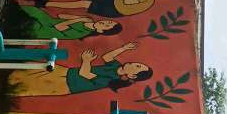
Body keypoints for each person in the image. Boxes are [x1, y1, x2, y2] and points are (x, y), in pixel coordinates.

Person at [11, 43, 151, 97]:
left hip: (64, 84)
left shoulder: (110, 81)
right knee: (23, 69)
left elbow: (84, 73)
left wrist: (86, 60)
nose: (134, 63)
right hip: (65, 72)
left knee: (21, 85)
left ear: (132, 76)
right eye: (138, 63)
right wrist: (123, 48)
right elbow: (107, 56)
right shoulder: (115, 67)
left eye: (137, 67)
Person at [17, 2, 122, 40]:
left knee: (31, 19)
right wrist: (78, 18)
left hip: (44, 29)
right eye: (109, 22)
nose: (105, 22)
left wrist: (79, 19)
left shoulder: (82, 33)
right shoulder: (88, 20)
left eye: (107, 26)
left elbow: (59, 27)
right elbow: (61, 16)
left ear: (100, 31)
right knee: (34, 11)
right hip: (48, 21)